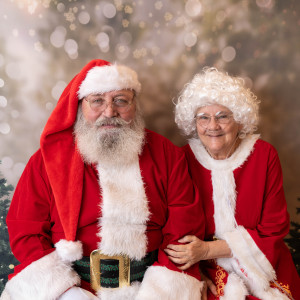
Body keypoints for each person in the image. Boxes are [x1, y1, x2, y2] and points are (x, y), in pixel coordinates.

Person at [0, 59, 205, 300]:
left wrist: (160, 290)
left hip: (151, 286)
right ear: (80, 105)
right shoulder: (47, 161)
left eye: (120, 100)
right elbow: (26, 230)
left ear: (134, 105)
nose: (109, 112)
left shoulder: (167, 155)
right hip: (73, 288)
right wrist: (68, 293)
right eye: (97, 101)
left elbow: (183, 228)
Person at [165, 67, 300, 300]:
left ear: (239, 119)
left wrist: (207, 249)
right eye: (203, 117)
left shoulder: (264, 155)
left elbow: (274, 229)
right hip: (204, 269)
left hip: (263, 265)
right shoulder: (183, 159)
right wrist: (193, 274)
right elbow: (174, 232)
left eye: (223, 116)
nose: (213, 126)